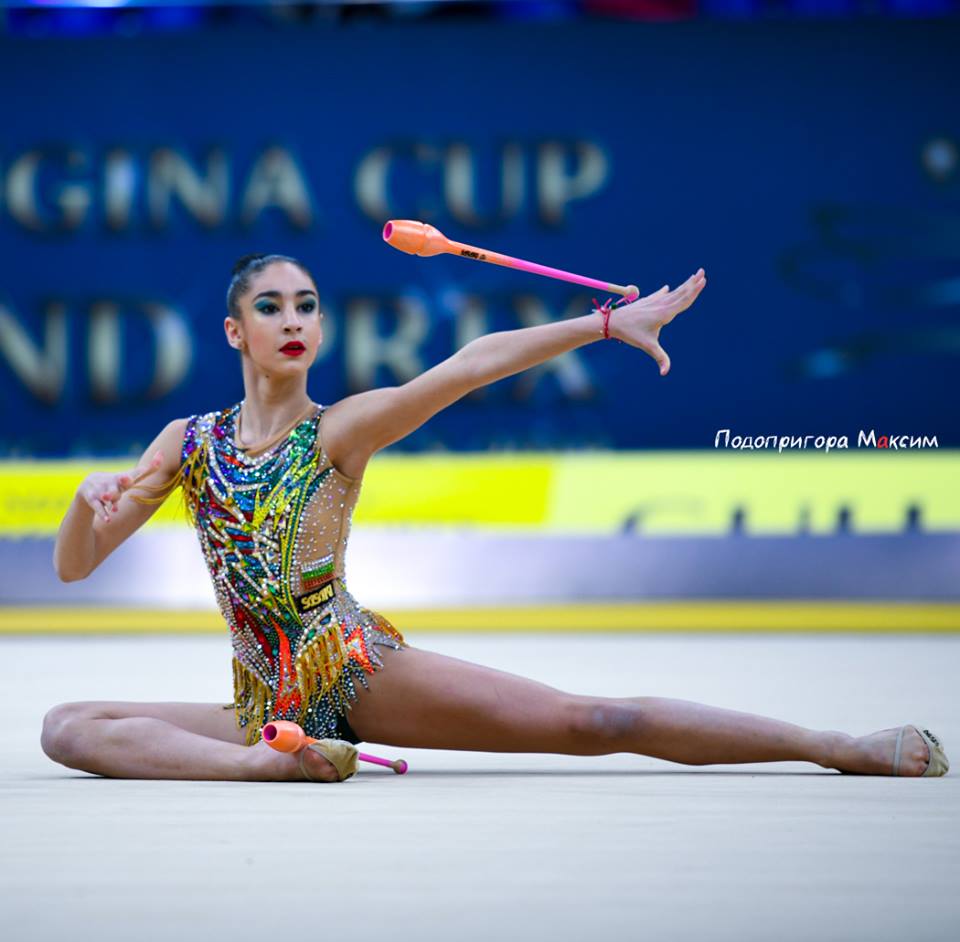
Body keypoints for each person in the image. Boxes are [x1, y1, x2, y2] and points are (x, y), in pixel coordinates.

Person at [41, 254, 948, 784]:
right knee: (66, 726)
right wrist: (86, 506)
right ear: (234, 332)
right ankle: (267, 766)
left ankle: (835, 746)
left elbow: (469, 366)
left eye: (307, 306)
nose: (294, 320)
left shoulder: (340, 429)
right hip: (262, 708)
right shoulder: (189, 441)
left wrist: (602, 326)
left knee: (595, 722)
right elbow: (77, 566)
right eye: (270, 307)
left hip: (351, 671)